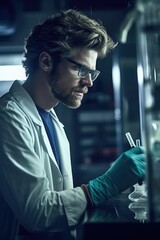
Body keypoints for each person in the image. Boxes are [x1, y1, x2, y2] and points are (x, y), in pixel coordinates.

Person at [0, 9, 145, 240]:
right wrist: (105, 184)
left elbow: (60, 204)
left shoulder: (51, 119)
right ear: (46, 61)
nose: (88, 82)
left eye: (92, 73)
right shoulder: (7, 117)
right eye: (81, 70)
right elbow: (38, 213)